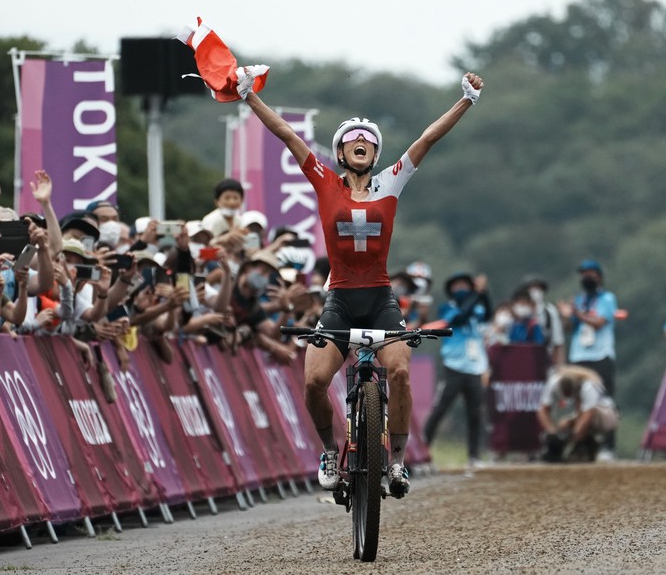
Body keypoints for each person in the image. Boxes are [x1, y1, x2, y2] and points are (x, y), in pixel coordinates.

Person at [242, 67, 484, 496]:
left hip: (380, 299)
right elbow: (286, 135)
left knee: (401, 376)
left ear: (376, 154)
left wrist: (465, 99)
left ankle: (396, 462)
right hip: (338, 300)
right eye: (352, 139)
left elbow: (427, 139)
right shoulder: (323, 182)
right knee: (314, 381)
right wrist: (249, 98)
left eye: (369, 141)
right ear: (339, 152)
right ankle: (330, 452)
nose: (361, 143)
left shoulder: (393, 180)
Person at [423, 272, 492, 469]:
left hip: (475, 367)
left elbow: (488, 314)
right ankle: (424, 453)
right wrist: (476, 295)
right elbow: (460, 318)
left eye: (465, 285)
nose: (461, 288)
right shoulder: (447, 308)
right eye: (457, 286)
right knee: (440, 410)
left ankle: (474, 456)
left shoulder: (476, 307)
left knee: (475, 413)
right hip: (453, 366)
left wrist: (484, 294)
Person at [557, 259, 618, 460]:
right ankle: (583, 443)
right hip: (579, 356)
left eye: (590, 273)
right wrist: (566, 316)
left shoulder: (607, 299)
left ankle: (608, 446)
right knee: (579, 401)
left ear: (598, 276)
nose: (586, 277)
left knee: (605, 400)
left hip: (600, 355)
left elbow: (599, 323)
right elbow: (569, 329)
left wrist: (577, 313)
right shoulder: (579, 300)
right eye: (583, 274)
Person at [537, 365, 619, 462]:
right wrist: (552, 432)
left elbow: (587, 415)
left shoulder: (588, 386)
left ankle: (585, 445)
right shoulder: (553, 381)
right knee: (564, 424)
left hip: (605, 415)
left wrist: (572, 437)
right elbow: (542, 410)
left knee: (583, 421)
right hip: (582, 413)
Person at [520, 274, 565, 368]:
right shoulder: (519, 312)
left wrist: (558, 366)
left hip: (545, 357)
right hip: (522, 358)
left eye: (537, 288)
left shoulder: (550, 311)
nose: (535, 292)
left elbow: (558, 341)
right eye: (531, 288)